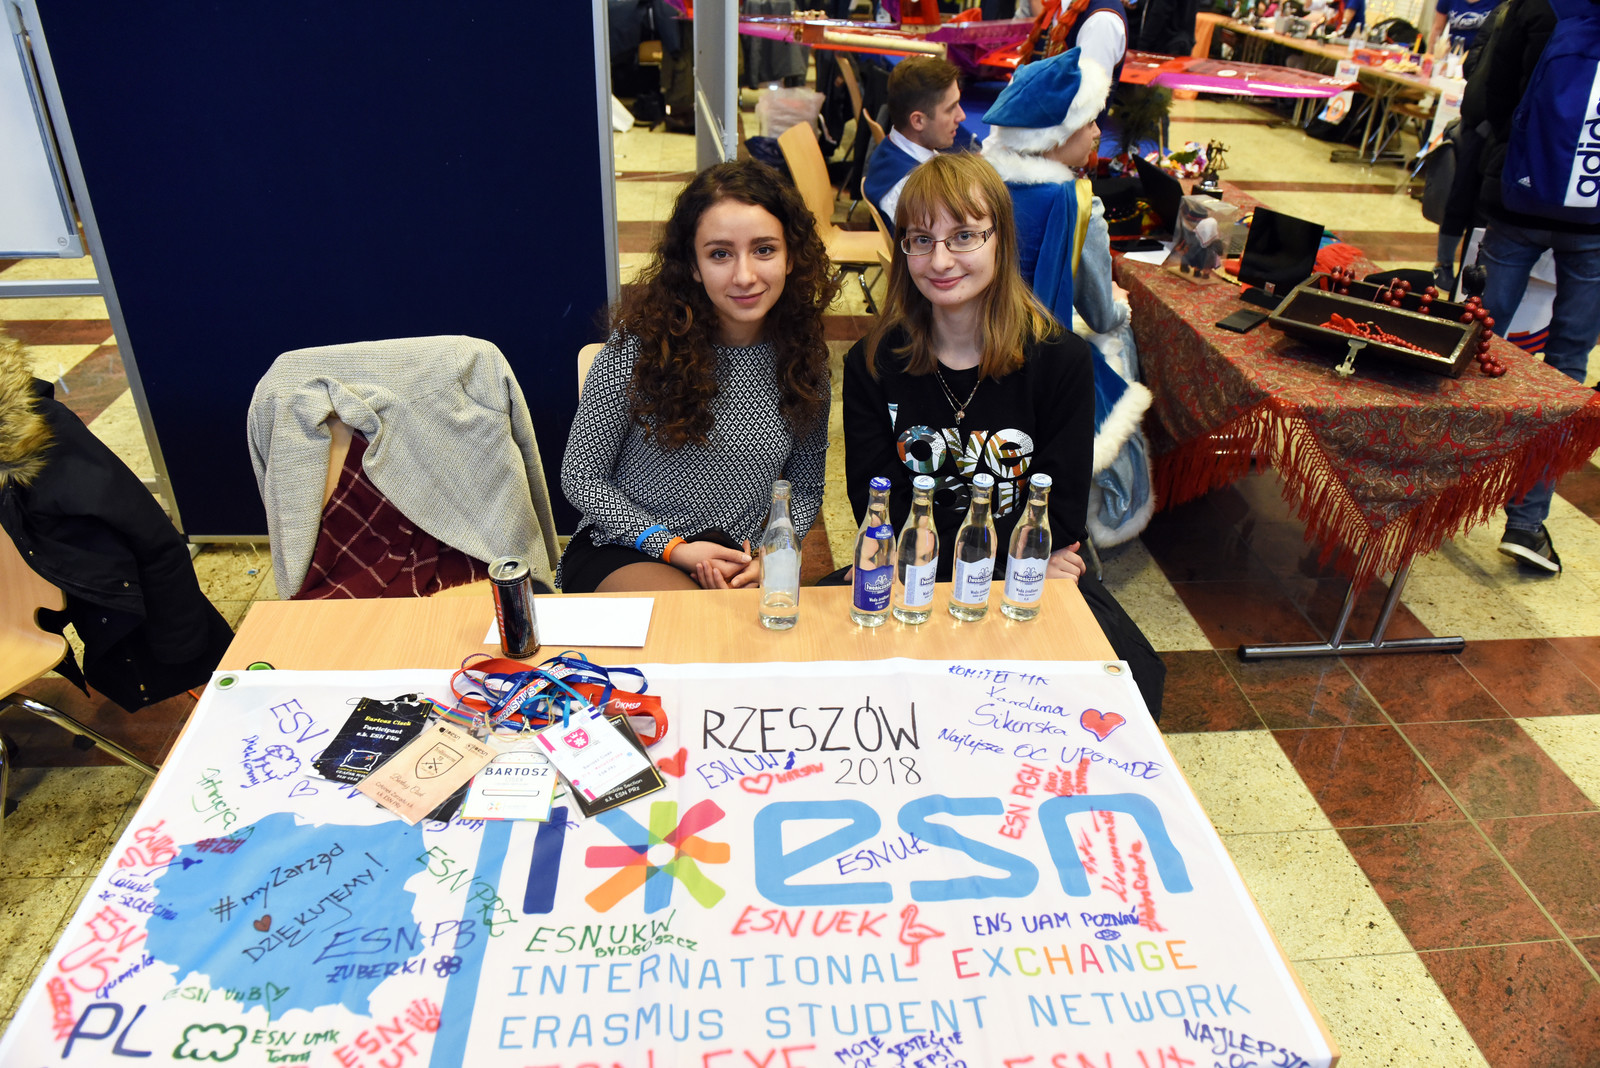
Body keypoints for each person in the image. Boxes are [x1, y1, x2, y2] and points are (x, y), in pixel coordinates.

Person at [843, 152, 1166, 718]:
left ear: (1001, 240)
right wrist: (1004, 559)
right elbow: (876, 502)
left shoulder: (1060, 361)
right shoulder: (872, 362)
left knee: (1131, 683)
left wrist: (1009, 564)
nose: (940, 260)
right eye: (920, 240)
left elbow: (1061, 511)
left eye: (964, 236)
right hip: (917, 572)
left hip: (1015, 577)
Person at [559, 160, 837, 593]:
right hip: (628, 546)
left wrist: (774, 554)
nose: (745, 276)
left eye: (764, 250)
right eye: (720, 254)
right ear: (693, 264)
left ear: (790, 257)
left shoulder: (805, 360)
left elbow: (803, 488)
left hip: (735, 558)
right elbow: (581, 476)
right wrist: (672, 548)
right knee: (696, 622)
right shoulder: (639, 346)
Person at [981, 47, 1154, 546]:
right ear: (1056, 136)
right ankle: (1098, 512)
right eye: (1089, 122)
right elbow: (1099, 314)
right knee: (1118, 335)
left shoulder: (978, 185)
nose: (1098, 132)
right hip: (1037, 356)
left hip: (973, 340)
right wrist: (1119, 302)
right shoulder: (1078, 205)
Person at [1470, 0, 1600, 574]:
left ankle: (1434, 485)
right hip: (1594, 221)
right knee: (1566, 367)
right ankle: (1526, 521)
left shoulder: (1533, 5)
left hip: (1516, 200)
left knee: (1475, 342)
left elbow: (1489, 96)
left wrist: (1518, 152)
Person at [861, 56, 978, 228]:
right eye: (950, 108)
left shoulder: (892, 147)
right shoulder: (914, 189)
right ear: (918, 121)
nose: (961, 116)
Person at [1432, 0, 1503, 54]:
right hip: (1452, 55)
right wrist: (1430, 53)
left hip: (1480, 56)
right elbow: (1437, 28)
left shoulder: (1498, 2)